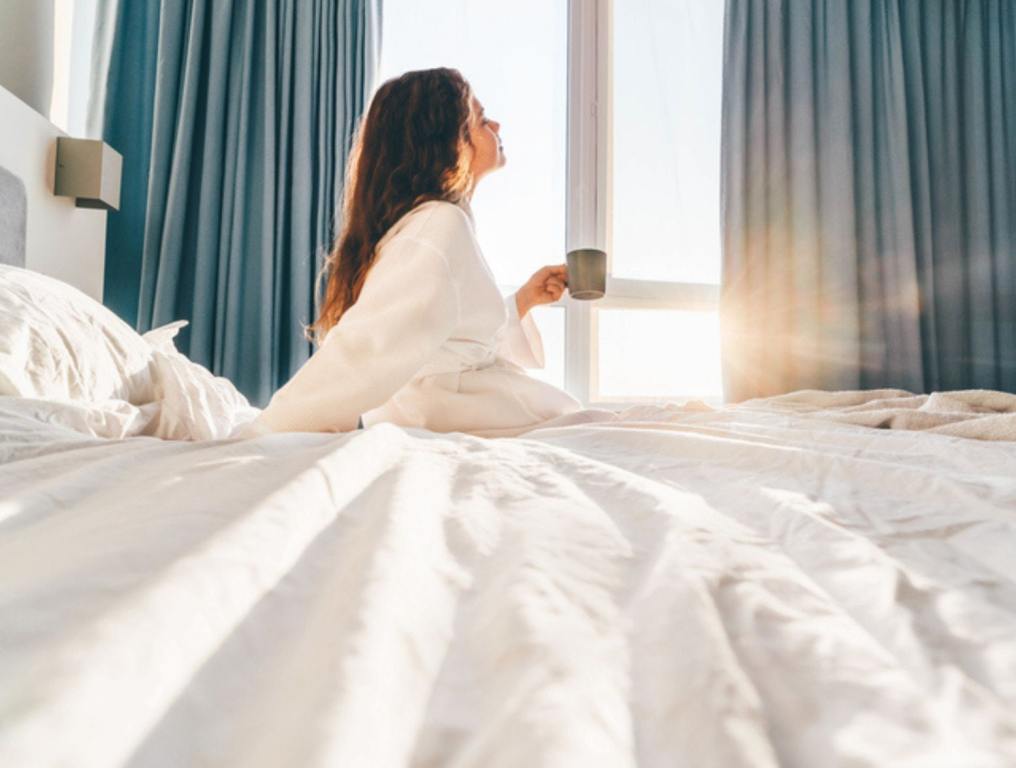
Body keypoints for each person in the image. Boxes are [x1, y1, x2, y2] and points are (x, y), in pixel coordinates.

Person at [246, 67, 584, 438]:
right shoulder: (438, 226)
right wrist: (262, 435)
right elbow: (367, 351)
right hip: (462, 422)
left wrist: (522, 301)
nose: (497, 126)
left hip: (465, 416)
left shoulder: (433, 226)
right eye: (481, 119)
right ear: (449, 143)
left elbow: (448, 348)